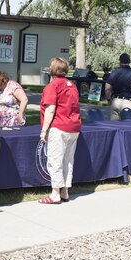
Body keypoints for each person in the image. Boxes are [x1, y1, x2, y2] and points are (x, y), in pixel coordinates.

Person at [38, 57, 81, 205]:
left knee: (55, 160)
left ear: (53, 69)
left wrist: (44, 131)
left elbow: (50, 109)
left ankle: (55, 193)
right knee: (68, 160)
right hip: (74, 126)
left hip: (59, 126)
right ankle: (65, 191)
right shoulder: (72, 85)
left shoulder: (53, 86)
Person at [105, 53, 131, 120]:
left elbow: (107, 88)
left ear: (119, 61)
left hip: (115, 101)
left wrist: (108, 99)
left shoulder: (114, 72)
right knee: (127, 126)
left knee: (115, 126)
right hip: (127, 102)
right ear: (129, 61)